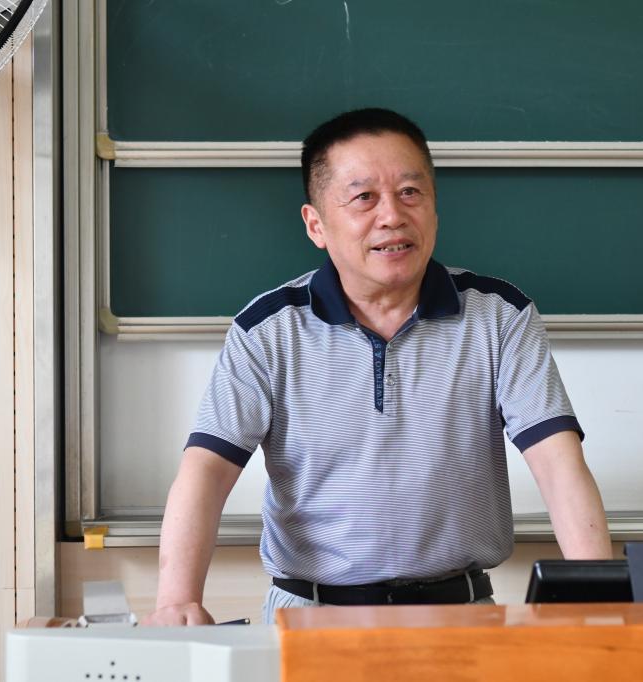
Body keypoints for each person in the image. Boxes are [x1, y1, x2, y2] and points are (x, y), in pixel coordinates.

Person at [143, 108, 611, 626]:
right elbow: (207, 470)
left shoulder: (499, 315)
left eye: (410, 192)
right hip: (311, 619)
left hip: (460, 617)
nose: (392, 215)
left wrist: (601, 599)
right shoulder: (268, 330)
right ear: (316, 224)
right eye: (364, 197)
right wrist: (176, 599)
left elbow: (558, 463)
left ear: (434, 209)